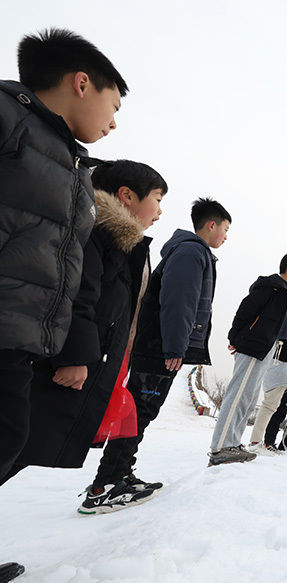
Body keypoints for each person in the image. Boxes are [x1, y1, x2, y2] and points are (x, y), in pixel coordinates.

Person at [0, 26, 127, 583]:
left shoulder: (72, 164)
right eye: (114, 104)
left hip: (20, 332)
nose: (114, 121)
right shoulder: (8, 120)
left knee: (9, 435)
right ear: (82, 83)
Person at [4, 160, 160, 515]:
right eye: (157, 198)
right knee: (18, 440)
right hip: (60, 362)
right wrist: (76, 356)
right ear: (126, 195)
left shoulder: (117, 241)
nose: (160, 210)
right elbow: (78, 295)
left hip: (79, 361)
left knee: (22, 443)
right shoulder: (95, 234)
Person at [85, 197, 230, 501]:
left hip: (158, 345)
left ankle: (117, 474)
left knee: (141, 412)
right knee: (140, 412)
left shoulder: (190, 251)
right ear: (212, 224)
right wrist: (175, 346)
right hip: (159, 347)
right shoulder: (192, 252)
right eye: (225, 230)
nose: (226, 237)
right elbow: (179, 302)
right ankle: (107, 485)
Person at [208, 253, 287, 466]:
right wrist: (235, 337)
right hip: (253, 345)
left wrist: (280, 355)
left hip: (267, 350)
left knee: (249, 398)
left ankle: (233, 443)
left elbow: (286, 331)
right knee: (238, 394)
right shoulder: (270, 287)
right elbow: (246, 311)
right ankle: (220, 447)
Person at [249, 314, 287, 454]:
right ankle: (256, 442)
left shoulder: (284, 324)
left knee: (271, 407)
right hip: (278, 374)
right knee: (269, 407)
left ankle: (260, 442)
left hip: (278, 373)